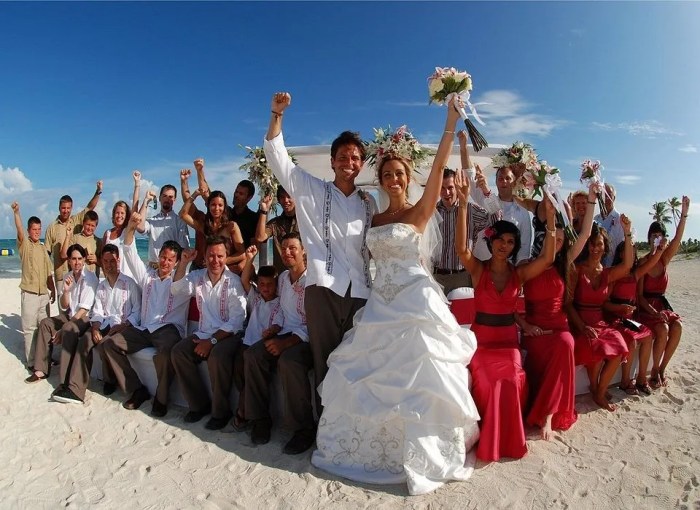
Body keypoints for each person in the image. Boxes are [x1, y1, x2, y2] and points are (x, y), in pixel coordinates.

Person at [312, 98, 480, 495]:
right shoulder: (376, 216)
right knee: (366, 375)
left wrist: (449, 123)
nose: (393, 178)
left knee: (422, 377)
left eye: (399, 173)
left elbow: (439, 168)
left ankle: (424, 452)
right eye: (386, 173)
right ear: (381, 180)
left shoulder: (421, 210)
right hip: (380, 304)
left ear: (408, 177)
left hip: (415, 302)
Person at [263, 92, 377, 412]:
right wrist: (277, 115)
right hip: (323, 290)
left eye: (355, 157)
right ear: (332, 161)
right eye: (342, 156)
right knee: (324, 362)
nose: (348, 162)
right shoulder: (311, 188)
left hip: (361, 293)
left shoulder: (370, 203)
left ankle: (351, 425)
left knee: (356, 362)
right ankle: (322, 430)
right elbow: (277, 157)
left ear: (361, 164)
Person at [456, 170, 556, 461]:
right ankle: (491, 433)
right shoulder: (478, 270)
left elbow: (548, 258)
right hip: (483, 345)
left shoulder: (520, 274)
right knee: (489, 381)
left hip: (508, 344)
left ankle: (510, 439)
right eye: (500, 240)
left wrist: (549, 220)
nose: (505, 245)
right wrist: (463, 204)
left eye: (511, 242)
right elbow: (462, 248)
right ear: (492, 241)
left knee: (512, 379)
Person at [515, 183, 598, 440]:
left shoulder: (565, 264)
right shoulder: (528, 266)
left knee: (565, 343)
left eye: (561, 241)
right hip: (534, 329)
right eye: (554, 239)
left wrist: (592, 200)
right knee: (551, 349)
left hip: (558, 327)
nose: (558, 244)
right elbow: (511, 304)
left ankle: (548, 416)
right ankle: (541, 410)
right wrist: (526, 326)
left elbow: (583, 235)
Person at [98, 212, 190, 416]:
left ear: (176, 262)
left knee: (165, 355)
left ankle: (161, 398)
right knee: (108, 344)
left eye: (170, 260)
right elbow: (129, 249)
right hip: (144, 329)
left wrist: (184, 263)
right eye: (163, 257)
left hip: (168, 330)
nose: (165, 262)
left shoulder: (182, 280)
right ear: (159, 257)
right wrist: (130, 226)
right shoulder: (147, 276)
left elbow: (181, 285)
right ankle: (137, 390)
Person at [245, 233, 315, 455]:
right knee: (253, 355)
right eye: (283, 249)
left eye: (292, 248)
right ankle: (260, 419)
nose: (287, 252)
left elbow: (315, 322)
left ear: (303, 250)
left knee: (288, 361)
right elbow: (283, 313)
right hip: (284, 333)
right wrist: (275, 330)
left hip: (306, 339)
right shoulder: (283, 278)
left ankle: (303, 429)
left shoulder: (313, 279)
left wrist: (288, 342)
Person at [169, 237, 247, 430]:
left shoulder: (234, 282)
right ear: (204, 257)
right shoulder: (198, 277)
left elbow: (237, 321)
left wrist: (211, 342)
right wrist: (184, 263)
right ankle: (199, 405)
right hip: (204, 333)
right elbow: (176, 289)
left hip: (229, 335)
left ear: (226, 257)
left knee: (218, 357)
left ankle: (221, 411)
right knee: (179, 352)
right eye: (211, 256)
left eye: (220, 256)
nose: (215, 260)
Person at [53, 244, 141, 404]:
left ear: (118, 260)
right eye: (105, 261)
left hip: (125, 325)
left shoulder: (129, 284)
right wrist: (94, 328)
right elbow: (98, 312)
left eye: (112, 261)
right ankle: (75, 390)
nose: (109, 265)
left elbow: (137, 311)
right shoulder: (102, 286)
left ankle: (113, 381)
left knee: (106, 344)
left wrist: (124, 325)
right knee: (84, 342)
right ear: (101, 262)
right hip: (104, 323)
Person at [566, 220, 633, 412]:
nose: (596, 248)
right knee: (595, 346)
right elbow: (568, 304)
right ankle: (595, 388)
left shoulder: (607, 273)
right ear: (588, 246)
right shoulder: (577, 270)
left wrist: (627, 233)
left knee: (620, 346)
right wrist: (581, 327)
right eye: (593, 243)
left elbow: (628, 264)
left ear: (605, 247)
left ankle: (599, 391)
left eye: (599, 244)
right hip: (579, 322)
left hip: (601, 322)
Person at [637, 196, 690, 388]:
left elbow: (678, 239)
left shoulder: (664, 259)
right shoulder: (643, 262)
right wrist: (653, 312)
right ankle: (653, 371)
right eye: (654, 236)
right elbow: (639, 296)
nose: (657, 239)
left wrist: (683, 214)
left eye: (660, 236)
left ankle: (661, 368)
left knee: (678, 327)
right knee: (662, 328)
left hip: (662, 306)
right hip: (646, 308)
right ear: (649, 237)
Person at [26, 244, 98, 385]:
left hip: (85, 319)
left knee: (66, 329)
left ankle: (65, 380)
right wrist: (66, 291)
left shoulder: (90, 279)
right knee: (46, 323)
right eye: (73, 259)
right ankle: (41, 369)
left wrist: (63, 328)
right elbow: (64, 306)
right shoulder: (67, 276)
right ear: (69, 261)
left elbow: (83, 310)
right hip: (70, 315)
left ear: (84, 259)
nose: (76, 262)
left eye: (79, 259)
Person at [604, 239, 666, 395]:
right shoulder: (614, 273)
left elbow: (651, 263)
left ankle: (640, 378)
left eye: (633, 251)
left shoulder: (635, 274)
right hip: (615, 318)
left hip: (628, 320)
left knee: (647, 335)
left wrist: (659, 249)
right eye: (627, 250)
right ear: (620, 253)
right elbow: (604, 304)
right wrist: (620, 308)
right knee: (631, 340)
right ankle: (625, 381)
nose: (631, 254)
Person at [231, 246, 283, 431]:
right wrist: (250, 258)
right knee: (239, 370)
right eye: (262, 284)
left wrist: (272, 331)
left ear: (276, 285)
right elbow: (245, 279)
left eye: (270, 285)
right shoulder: (256, 298)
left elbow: (279, 324)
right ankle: (246, 406)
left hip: (261, 347)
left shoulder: (280, 303)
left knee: (250, 370)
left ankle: (243, 411)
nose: (266, 288)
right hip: (247, 343)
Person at [434, 131, 492, 292]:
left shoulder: (472, 210)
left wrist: (485, 190)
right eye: (442, 189)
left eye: (450, 188)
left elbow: (495, 221)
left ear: (457, 186)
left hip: (463, 277)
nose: (446, 193)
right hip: (437, 277)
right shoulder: (432, 213)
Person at [11, 202, 56, 371]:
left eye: (39, 229)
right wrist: (17, 213)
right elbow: (20, 230)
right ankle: (31, 362)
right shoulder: (25, 245)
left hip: (43, 294)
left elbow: (48, 271)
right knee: (30, 330)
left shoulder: (44, 248)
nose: (37, 232)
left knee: (45, 328)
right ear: (29, 230)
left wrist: (53, 289)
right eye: (34, 229)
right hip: (29, 294)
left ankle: (46, 359)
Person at [469, 163, 532, 264]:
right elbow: (470, 178)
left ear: (514, 182)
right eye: (500, 178)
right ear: (496, 182)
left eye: (508, 178)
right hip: (480, 265)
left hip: (506, 269)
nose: (504, 182)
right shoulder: (485, 200)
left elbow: (524, 247)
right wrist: (463, 148)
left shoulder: (523, 211)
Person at [44, 183, 102, 293]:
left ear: (71, 208)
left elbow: (90, 207)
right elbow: (46, 256)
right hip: (61, 274)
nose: (66, 210)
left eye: (68, 208)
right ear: (59, 208)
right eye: (63, 208)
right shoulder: (51, 228)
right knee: (64, 308)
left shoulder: (76, 221)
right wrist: (48, 278)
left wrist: (98, 191)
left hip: (77, 274)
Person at [180, 188, 245, 273]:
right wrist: (194, 195)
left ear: (224, 207)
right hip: (200, 270)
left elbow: (242, 254)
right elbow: (183, 215)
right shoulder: (203, 225)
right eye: (213, 205)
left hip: (221, 270)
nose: (216, 208)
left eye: (220, 205)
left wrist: (222, 261)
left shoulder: (231, 226)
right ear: (208, 206)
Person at [137, 184, 190, 265]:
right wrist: (146, 201)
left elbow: (184, 248)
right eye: (164, 196)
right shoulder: (152, 220)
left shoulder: (180, 221)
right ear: (160, 198)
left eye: (170, 197)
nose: (167, 199)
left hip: (172, 269)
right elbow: (140, 227)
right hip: (152, 268)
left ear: (174, 200)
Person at [254, 187, 299, 274]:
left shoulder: (305, 221)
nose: (286, 200)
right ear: (278, 200)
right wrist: (264, 210)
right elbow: (260, 238)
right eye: (282, 197)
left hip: (304, 275)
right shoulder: (275, 223)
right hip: (282, 275)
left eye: (289, 196)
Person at [60, 210, 102, 277]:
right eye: (88, 224)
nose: (89, 228)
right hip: (75, 279)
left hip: (92, 281)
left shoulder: (98, 242)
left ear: (96, 226)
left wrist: (97, 260)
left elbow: (104, 264)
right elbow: (63, 256)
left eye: (92, 226)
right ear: (83, 223)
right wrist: (68, 236)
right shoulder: (75, 238)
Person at [594, 183, 625, 267]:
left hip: (614, 270)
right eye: (603, 195)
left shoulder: (621, 220)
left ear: (614, 198)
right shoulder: (595, 219)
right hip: (597, 270)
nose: (606, 198)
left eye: (609, 195)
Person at [103, 200, 134, 279]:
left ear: (127, 216)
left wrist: (137, 187)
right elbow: (103, 257)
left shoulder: (128, 231)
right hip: (111, 278)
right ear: (113, 215)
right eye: (117, 213)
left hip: (127, 277)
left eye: (122, 213)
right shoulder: (107, 233)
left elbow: (134, 213)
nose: (119, 215)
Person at [229, 179, 261, 248]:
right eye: (236, 191)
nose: (236, 195)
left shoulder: (253, 219)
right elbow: (209, 197)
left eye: (241, 193)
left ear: (249, 198)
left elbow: (255, 246)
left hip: (242, 257)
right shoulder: (226, 213)